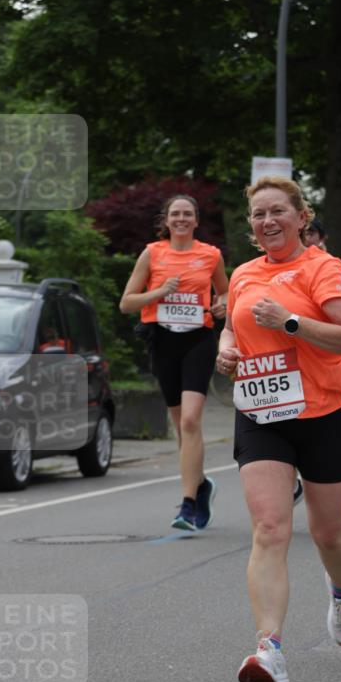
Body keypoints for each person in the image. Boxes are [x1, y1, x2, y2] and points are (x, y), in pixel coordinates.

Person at [216, 176, 341, 682]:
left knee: (328, 534)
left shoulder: (324, 268)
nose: (267, 221)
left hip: (326, 412)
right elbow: (234, 326)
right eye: (258, 215)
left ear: (302, 218)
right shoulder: (243, 274)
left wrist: (291, 323)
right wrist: (227, 349)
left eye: (278, 211)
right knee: (270, 528)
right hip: (262, 413)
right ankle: (269, 649)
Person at [120, 194, 228, 530]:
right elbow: (127, 303)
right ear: (166, 221)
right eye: (175, 214)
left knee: (192, 421)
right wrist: (158, 293)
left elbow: (225, 293)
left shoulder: (211, 255)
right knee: (182, 427)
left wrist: (222, 305)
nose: (181, 219)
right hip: (163, 340)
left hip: (199, 339)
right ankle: (201, 484)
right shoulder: (153, 253)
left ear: (196, 221)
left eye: (188, 214)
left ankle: (188, 505)